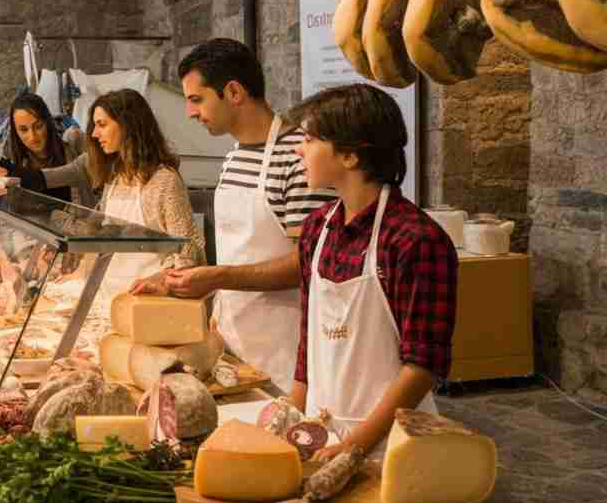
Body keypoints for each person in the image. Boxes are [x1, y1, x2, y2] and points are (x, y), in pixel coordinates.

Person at [135, 39, 334, 393]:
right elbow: (235, 254)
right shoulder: (233, 158)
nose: (190, 113)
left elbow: (308, 264)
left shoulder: (299, 156)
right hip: (233, 344)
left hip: (287, 353)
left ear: (234, 91)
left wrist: (217, 277)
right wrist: (179, 281)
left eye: (197, 99)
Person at [287, 83, 456, 461]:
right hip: (318, 433)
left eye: (310, 139)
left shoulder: (416, 241)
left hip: (391, 447)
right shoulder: (317, 227)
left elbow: (423, 367)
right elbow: (308, 340)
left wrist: (354, 447)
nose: (299, 150)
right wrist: (290, 420)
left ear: (349, 155)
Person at [85, 89, 204, 312]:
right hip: (109, 297)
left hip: (147, 304)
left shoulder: (165, 180)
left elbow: (188, 253)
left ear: (127, 125)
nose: (94, 134)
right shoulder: (116, 176)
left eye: (102, 124)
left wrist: (159, 282)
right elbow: (104, 237)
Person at [0, 93, 93, 208]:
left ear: (47, 122)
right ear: (15, 132)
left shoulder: (73, 141)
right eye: (23, 130)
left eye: (38, 126)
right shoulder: (11, 157)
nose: (33, 137)